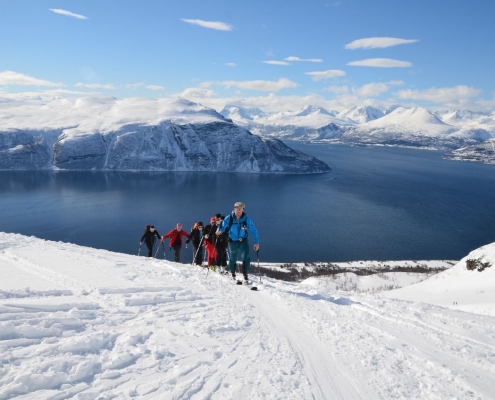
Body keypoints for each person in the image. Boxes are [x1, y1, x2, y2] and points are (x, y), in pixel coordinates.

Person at [216, 202, 259, 282]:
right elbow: (222, 226)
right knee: (233, 258)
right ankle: (232, 273)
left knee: (246, 257)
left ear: (243, 209)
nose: (239, 210)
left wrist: (256, 242)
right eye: (237, 209)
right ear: (234, 209)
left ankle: (245, 275)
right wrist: (218, 231)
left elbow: (253, 230)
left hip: (243, 241)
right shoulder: (229, 218)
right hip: (232, 241)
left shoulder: (246, 218)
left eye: (240, 209)